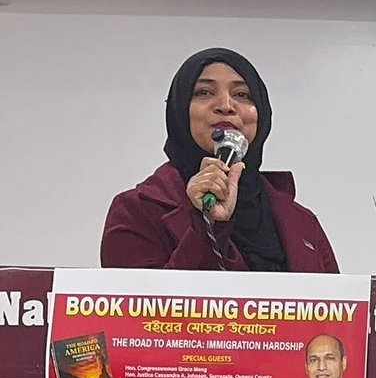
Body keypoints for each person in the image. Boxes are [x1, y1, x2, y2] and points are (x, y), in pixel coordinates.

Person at [101, 47, 339, 272]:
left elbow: (337, 301)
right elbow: (145, 302)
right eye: (204, 92)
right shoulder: (136, 211)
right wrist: (207, 225)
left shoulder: (301, 222)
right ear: (180, 110)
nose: (226, 106)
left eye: (242, 95)